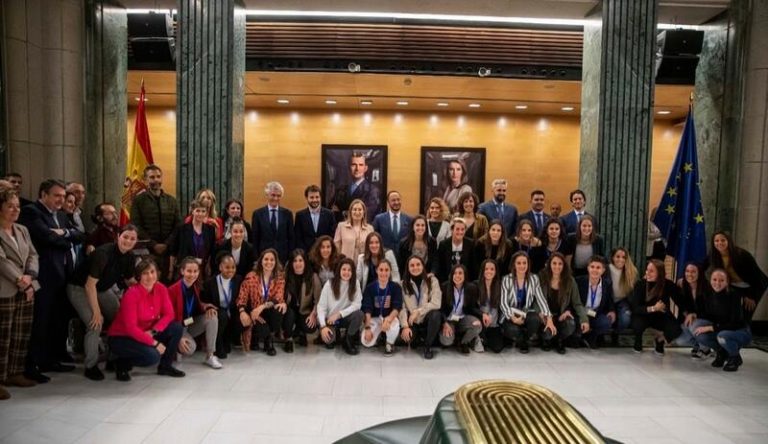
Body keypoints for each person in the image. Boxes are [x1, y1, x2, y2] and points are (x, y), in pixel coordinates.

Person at [20, 179, 85, 381]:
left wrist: (64, 233)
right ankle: (32, 365)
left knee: (57, 321)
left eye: (63, 196)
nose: (61, 200)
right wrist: (65, 239)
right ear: (43, 194)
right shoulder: (32, 212)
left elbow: (80, 235)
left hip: (62, 277)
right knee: (40, 323)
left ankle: (50, 359)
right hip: (45, 277)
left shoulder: (59, 216)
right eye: (57, 195)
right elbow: (45, 238)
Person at [66, 225, 138, 380]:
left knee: (120, 318)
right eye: (125, 236)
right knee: (95, 322)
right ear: (118, 236)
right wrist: (97, 312)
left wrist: (149, 288)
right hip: (80, 287)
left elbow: (129, 280)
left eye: (132, 238)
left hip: (101, 288)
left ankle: (113, 358)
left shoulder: (130, 257)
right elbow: (89, 285)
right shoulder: (103, 253)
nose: (128, 241)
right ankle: (90, 365)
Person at [107, 259, 185, 381]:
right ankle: (121, 363)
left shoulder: (161, 288)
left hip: (147, 331)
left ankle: (165, 366)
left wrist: (154, 331)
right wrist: (154, 343)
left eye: (152, 272)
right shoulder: (132, 294)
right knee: (152, 356)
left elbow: (169, 314)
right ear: (139, 276)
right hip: (123, 337)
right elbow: (131, 328)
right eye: (145, 273)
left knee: (176, 328)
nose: (150, 276)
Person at [0, 188, 40, 399]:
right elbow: (2, 262)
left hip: (27, 288)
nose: (15, 209)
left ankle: (14, 373)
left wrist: (30, 276)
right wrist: (20, 280)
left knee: (20, 333)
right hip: (5, 289)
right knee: (2, 336)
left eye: (17, 206)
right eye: (10, 206)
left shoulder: (22, 229)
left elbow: (33, 254)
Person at [690, 269, 752, 371]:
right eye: (714, 279)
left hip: (740, 331)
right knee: (699, 334)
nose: (717, 283)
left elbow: (735, 323)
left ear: (727, 282)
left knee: (722, 336)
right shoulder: (708, 295)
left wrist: (711, 327)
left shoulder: (734, 295)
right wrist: (693, 314)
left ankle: (734, 357)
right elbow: (705, 315)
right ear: (710, 280)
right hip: (721, 328)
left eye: (721, 280)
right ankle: (722, 352)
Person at [168, 257, 221, 369]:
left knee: (212, 317)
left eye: (195, 271)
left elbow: (195, 305)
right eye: (189, 271)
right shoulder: (172, 290)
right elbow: (167, 317)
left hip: (189, 322)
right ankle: (174, 346)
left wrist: (207, 307)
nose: (192, 275)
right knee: (191, 348)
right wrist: (178, 337)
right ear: (182, 271)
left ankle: (210, 355)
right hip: (177, 327)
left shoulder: (195, 286)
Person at [705, 230, 768, 323]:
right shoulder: (713, 254)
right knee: (733, 312)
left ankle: (744, 333)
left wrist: (751, 296)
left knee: (745, 313)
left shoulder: (742, 254)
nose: (719, 243)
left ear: (729, 241)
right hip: (734, 286)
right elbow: (702, 266)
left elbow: (756, 276)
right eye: (716, 241)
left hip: (753, 286)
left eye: (723, 240)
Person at [130, 164, 181, 279]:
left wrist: (167, 244)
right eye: (152, 177)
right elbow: (136, 225)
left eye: (158, 176)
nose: (156, 180)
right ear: (145, 179)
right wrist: (153, 244)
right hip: (147, 251)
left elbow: (178, 225)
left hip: (169, 251)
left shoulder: (171, 200)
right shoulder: (139, 201)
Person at [500, 252, 555, 353]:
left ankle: (524, 340)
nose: (522, 266)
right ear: (514, 265)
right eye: (519, 263)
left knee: (535, 319)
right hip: (510, 314)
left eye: (524, 263)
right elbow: (503, 303)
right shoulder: (506, 279)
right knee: (513, 330)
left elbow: (541, 299)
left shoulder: (534, 279)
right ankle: (519, 339)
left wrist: (549, 317)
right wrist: (512, 318)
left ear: (528, 264)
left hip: (526, 312)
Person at [236, 249, 287, 356]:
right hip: (253, 311)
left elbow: (278, 297)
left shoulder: (279, 277)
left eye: (272, 260)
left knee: (279, 310)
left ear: (276, 262)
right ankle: (267, 341)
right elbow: (242, 297)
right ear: (261, 261)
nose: (269, 262)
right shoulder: (251, 276)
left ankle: (267, 336)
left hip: (268, 310)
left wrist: (262, 307)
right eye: (266, 259)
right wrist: (243, 312)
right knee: (262, 329)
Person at [629, 260, 686, 354]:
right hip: (643, 314)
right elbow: (635, 307)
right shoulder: (640, 284)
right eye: (647, 270)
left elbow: (679, 300)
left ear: (660, 273)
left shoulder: (668, 284)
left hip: (661, 315)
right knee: (637, 325)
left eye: (651, 271)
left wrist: (687, 313)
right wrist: (653, 308)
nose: (647, 273)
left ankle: (660, 340)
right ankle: (638, 340)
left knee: (675, 329)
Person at [538, 253, 588, 354]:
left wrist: (584, 319)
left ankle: (559, 340)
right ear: (549, 264)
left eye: (560, 264)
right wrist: (541, 313)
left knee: (570, 324)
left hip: (561, 315)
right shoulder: (541, 278)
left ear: (564, 265)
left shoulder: (570, 281)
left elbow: (577, 303)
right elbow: (536, 299)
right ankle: (546, 339)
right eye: (554, 263)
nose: (557, 266)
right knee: (548, 333)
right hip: (545, 315)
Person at [399, 255, 443, 359]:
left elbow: (436, 303)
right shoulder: (403, 284)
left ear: (423, 266)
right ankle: (417, 337)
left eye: (418, 264)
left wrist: (418, 311)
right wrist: (405, 326)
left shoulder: (432, 280)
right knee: (409, 339)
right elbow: (402, 307)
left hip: (427, 318)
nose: (415, 268)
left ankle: (427, 346)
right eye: (412, 265)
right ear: (408, 268)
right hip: (412, 321)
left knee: (436, 314)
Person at [317, 258, 364, 355]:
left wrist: (339, 314)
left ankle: (348, 339)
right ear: (339, 270)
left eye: (349, 270)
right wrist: (323, 326)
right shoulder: (329, 284)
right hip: (330, 320)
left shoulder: (355, 283)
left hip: (344, 318)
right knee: (329, 341)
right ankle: (336, 333)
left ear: (353, 272)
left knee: (359, 314)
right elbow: (321, 307)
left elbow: (357, 304)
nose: (346, 272)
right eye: (344, 269)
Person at [201, 254, 242, 360]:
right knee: (222, 316)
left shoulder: (238, 280)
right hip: (218, 311)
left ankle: (227, 340)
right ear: (220, 267)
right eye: (227, 267)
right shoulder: (210, 282)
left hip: (232, 310)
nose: (231, 270)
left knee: (240, 319)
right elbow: (205, 300)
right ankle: (218, 343)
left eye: (233, 267)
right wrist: (209, 308)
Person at [361, 259, 402, 356]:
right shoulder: (370, 287)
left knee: (395, 324)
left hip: (389, 317)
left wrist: (389, 319)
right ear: (376, 270)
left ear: (390, 271)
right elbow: (367, 309)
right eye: (381, 270)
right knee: (366, 342)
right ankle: (379, 336)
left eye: (386, 270)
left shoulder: (395, 287)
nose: (384, 273)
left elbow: (397, 306)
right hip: (374, 318)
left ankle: (389, 343)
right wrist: (367, 328)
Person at [168, 199, 217, 280]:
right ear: (192, 211)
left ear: (206, 213)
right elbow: (173, 251)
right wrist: (171, 271)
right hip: (185, 270)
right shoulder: (181, 229)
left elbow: (212, 251)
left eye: (203, 211)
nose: (200, 214)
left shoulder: (210, 230)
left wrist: (209, 265)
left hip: (202, 271)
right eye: (197, 210)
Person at [439, 264, 482, 354]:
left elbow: (473, 307)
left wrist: (482, 315)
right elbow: (440, 308)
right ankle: (455, 336)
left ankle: (463, 342)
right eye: (455, 273)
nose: (457, 276)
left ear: (465, 275)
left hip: (463, 318)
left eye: (460, 273)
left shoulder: (471, 288)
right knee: (446, 341)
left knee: (478, 326)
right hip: (449, 320)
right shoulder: (445, 287)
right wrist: (444, 323)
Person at [575, 256, 616, 349]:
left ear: (603, 270)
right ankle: (579, 336)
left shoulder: (607, 284)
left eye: (598, 267)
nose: (595, 270)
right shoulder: (579, 281)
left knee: (606, 322)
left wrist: (612, 310)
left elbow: (610, 300)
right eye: (592, 267)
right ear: (588, 268)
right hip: (581, 313)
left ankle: (591, 337)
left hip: (595, 313)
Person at [329, 151, 381, 223]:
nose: (357, 168)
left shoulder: (373, 190)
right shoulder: (341, 189)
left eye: (361, 165)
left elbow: (367, 216)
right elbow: (332, 214)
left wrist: (342, 213)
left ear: (365, 168)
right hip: (343, 231)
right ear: (349, 167)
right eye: (354, 164)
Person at [284, 249, 322, 347]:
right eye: (295, 261)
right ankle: (288, 338)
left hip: (304, 310)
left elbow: (318, 299)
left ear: (305, 262)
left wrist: (314, 313)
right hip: (289, 309)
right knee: (290, 315)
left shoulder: (313, 277)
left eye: (300, 260)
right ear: (291, 263)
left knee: (310, 326)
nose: (298, 264)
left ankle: (300, 332)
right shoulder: (285, 276)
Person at [251, 182, 294, 263]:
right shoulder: (257, 214)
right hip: (263, 257)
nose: (275, 198)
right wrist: (256, 258)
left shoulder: (288, 214)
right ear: (267, 195)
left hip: (283, 258)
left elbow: (291, 238)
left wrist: (290, 258)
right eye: (273, 195)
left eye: (278, 196)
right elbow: (255, 238)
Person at [677, 262, 710, 357]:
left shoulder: (707, 286)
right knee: (680, 340)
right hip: (692, 319)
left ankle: (706, 349)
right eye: (687, 271)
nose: (689, 274)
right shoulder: (683, 285)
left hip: (706, 319)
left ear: (699, 273)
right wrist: (687, 314)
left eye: (693, 272)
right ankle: (697, 346)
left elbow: (710, 311)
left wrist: (695, 315)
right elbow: (681, 304)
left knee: (693, 325)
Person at [607, 247, 639, 343]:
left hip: (623, 301)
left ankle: (616, 334)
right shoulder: (607, 269)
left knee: (625, 320)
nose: (621, 259)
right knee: (607, 320)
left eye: (623, 257)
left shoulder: (632, 271)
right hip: (608, 301)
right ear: (612, 257)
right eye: (617, 256)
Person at [294, 185, 337, 252]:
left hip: (324, 253)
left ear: (320, 197)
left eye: (317, 197)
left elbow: (332, 235)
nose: (314, 200)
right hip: (306, 254)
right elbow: (298, 238)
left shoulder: (329, 214)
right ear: (306, 198)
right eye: (311, 197)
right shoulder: (300, 215)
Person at [475, 259, 504, 353]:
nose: (489, 271)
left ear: (496, 271)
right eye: (486, 269)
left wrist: (491, 316)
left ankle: (485, 339)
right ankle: (477, 338)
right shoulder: (475, 285)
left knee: (497, 348)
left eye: (492, 269)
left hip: (494, 324)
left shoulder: (500, 286)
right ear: (482, 270)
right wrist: (482, 314)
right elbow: (472, 307)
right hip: (480, 321)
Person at [436, 217, 476, 283]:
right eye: (457, 229)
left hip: (465, 281)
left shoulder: (470, 244)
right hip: (447, 281)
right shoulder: (443, 244)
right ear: (452, 230)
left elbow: (473, 266)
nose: (460, 232)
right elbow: (441, 266)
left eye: (462, 229)